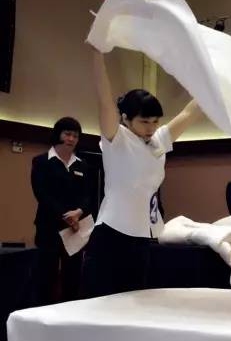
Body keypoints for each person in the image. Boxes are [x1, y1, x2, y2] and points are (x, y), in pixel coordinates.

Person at [80, 50, 203, 298]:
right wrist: (96, 54)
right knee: (100, 303)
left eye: (155, 121)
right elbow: (104, 98)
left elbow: (190, 112)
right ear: (126, 119)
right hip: (111, 234)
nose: (151, 127)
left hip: (142, 235)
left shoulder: (159, 140)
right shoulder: (116, 138)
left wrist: (211, 76)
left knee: (136, 302)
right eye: (145, 122)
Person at [31, 117, 91, 303]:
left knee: (72, 275)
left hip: (74, 229)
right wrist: (65, 215)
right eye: (67, 134)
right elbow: (42, 194)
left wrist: (79, 212)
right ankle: (43, 313)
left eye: (75, 136)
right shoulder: (41, 161)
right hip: (49, 227)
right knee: (46, 275)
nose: (71, 139)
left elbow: (88, 195)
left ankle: (69, 312)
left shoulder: (82, 164)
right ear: (58, 134)